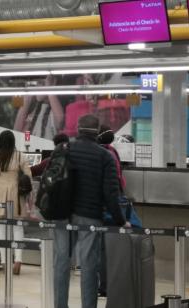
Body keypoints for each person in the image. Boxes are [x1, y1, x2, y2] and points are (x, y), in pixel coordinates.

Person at [54, 115, 130, 308]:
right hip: (89, 216)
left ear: (78, 129)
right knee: (89, 267)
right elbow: (111, 193)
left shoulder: (65, 150)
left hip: (62, 214)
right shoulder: (105, 156)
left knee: (61, 263)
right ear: (96, 132)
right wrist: (121, 220)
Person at [0, 130, 32, 275]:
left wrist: (1, 181)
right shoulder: (20, 155)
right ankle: (18, 260)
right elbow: (28, 176)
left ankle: (6, 262)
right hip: (16, 195)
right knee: (17, 228)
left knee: (1, 229)